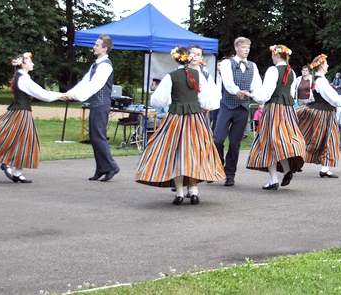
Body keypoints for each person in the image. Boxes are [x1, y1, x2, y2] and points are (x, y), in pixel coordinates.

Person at [135, 46, 224, 205]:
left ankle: (180, 193)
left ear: (176, 59)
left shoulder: (171, 76)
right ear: (189, 58)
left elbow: (158, 100)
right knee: (194, 152)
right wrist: (200, 104)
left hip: (175, 118)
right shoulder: (198, 75)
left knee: (175, 152)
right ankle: (194, 191)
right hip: (195, 118)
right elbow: (206, 99)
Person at [0, 52, 64, 183]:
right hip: (21, 113)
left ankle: (17, 172)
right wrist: (60, 95)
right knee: (16, 138)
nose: (32, 64)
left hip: (23, 112)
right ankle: (8, 164)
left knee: (23, 140)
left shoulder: (22, 77)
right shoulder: (23, 78)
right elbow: (42, 94)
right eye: (30, 62)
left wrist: (59, 95)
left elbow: (40, 93)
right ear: (23, 65)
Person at [248, 45, 307, 190]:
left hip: (274, 108)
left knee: (269, 141)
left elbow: (266, 94)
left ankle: (273, 179)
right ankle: (286, 170)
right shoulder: (291, 71)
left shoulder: (273, 70)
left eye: (272, 55)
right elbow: (291, 93)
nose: (272, 57)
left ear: (276, 55)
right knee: (281, 140)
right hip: (288, 110)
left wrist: (253, 95)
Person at [64, 34, 120, 182]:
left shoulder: (105, 66)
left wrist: (76, 96)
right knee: (94, 137)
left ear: (104, 48)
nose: (94, 47)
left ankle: (111, 166)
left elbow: (95, 84)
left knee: (99, 136)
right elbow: (85, 81)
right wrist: (70, 93)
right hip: (96, 104)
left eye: (96, 45)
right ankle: (101, 168)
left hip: (102, 104)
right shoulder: (96, 64)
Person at [213, 37, 262, 187]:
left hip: (242, 108)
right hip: (227, 105)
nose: (246, 50)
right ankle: (217, 164)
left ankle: (230, 174)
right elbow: (227, 82)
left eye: (248, 47)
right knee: (217, 139)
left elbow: (257, 85)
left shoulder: (252, 66)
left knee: (235, 143)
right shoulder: (227, 63)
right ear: (236, 48)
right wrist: (237, 91)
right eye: (243, 47)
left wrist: (260, 101)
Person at [296, 54, 341, 178]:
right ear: (321, 66)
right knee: (318, 139)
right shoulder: (321, 81)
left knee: (326, 139)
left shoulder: (320, 80)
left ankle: (325, 168)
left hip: (325, 113)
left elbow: (332, 98)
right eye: (326, 63)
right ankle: (292, 161)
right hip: (323, 114)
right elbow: (334, 100)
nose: (328, 65)